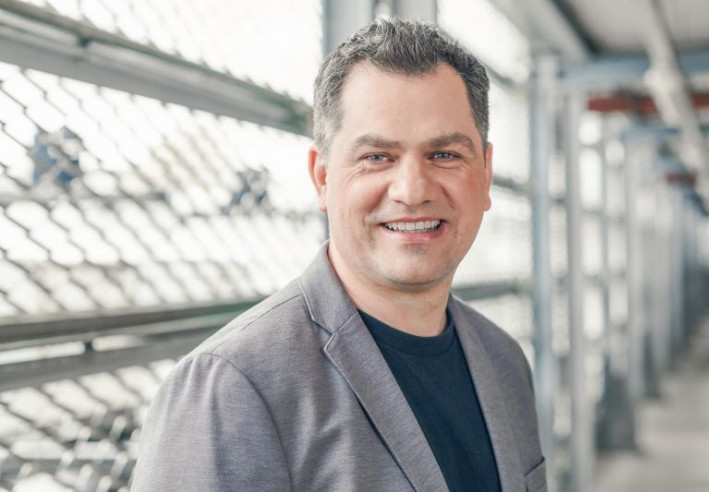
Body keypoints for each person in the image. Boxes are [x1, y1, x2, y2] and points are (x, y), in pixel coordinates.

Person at [132, 18, 546, 492]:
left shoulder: (504, 361)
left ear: (486, 174)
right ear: (323, 178)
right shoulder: (229, 387)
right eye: (377, 157)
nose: (412, 190)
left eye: (445, 155)